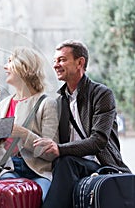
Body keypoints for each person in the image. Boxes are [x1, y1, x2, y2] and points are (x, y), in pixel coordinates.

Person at [33, 39, 132, 208]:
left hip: (102, 166)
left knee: (65, 162)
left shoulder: (102, 94)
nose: (56, 65)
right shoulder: (59, 101)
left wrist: (60, 149)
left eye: (62, 60)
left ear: (80, 62)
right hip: (72, 166)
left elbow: (99, 141)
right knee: (58, 165)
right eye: (55, 61)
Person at [0, 47, 59, 201]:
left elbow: (50, 154)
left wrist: (22, 133)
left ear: (24, 66)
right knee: (1, 197)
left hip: (38, 173)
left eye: (10, 61)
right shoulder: (2, 105)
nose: (4, 67)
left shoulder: (47, 103)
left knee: (37, 199)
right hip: (9, 170)